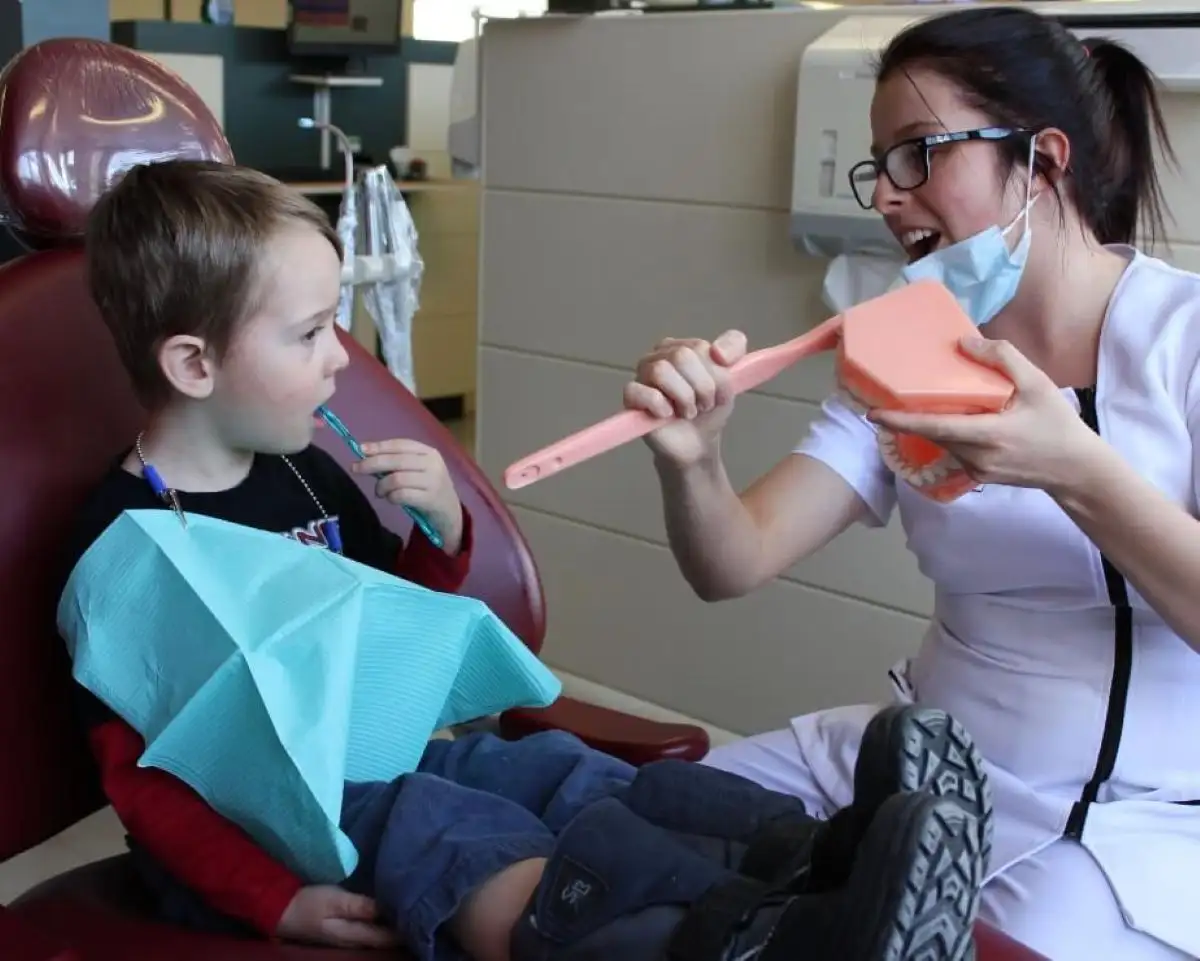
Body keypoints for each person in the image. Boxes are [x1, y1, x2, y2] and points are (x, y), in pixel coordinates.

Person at [62, 158, 991, 961]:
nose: (340, 358)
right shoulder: (128, 554)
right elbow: (147, 788)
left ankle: (825, 855)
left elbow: (399, 631)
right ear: (193, 365)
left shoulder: (304, 473)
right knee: (461, 836)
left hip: (397, 762)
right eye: (309, 334)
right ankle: (737, 942)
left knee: (565, 770)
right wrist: (276, 900)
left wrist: (440, 533)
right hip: (294, 826)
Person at [624, 7, 1200, 961]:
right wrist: (694, 460)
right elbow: (733, 559)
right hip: (917, 760)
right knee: (649, 829)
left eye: (918, 154)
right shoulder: (908, 342)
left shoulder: (1183, 344)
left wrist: (1070, 463)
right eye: (880, 164)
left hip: (1130, 824)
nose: (888, 200)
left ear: (1043, 160)